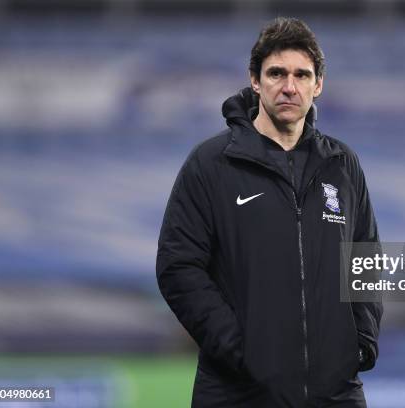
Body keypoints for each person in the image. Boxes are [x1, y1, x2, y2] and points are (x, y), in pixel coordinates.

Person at [156, 17, 382, 407]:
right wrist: (240, 349)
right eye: (276, 73)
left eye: (301, 75)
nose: (289, 87)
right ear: (255, 81)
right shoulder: (212, 163)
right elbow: (178, 267)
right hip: (239, 392)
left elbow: (365, 259)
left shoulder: (343, 164)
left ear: (318, 85)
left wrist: (360, 342)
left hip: (335, 393)